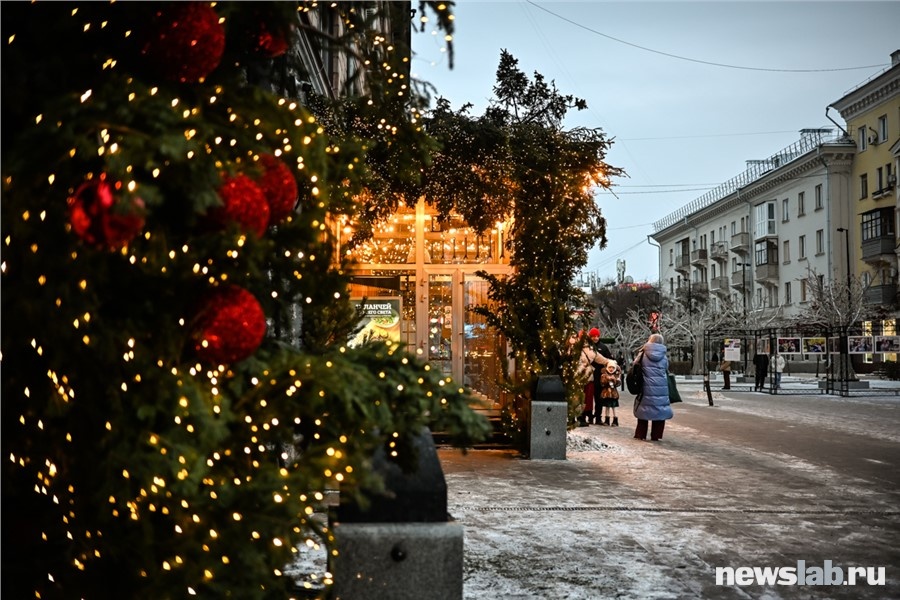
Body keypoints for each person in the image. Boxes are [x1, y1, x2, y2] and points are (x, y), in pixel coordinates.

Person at [632, 333, 673, 441]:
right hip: (661, 388)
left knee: (643, 410)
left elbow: (635, 365)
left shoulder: (643, 353)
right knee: (659, 410)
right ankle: (656, 435)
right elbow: (666, 368)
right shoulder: (664, 355)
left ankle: (640, 434)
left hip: (646, 386)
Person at [588, 327, 613, 423]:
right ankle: (590, 416)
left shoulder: (603, 347)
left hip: (600, 377)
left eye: (597, 336)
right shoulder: (587, 347)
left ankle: (598, 417)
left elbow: (608, 359)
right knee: (589, 398)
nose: (595, 338)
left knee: (599, 398)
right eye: (593, 336)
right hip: (589, 376)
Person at [597, 360, 621, 426]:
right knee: (607, 407)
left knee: (614, 407)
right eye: (610, 367)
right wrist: (607, 379)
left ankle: (615, 420)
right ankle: (607, 419)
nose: (611, 369)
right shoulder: (604, 375)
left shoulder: (616, 375)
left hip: (613, 394)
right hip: (606, 394)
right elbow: (602, 383)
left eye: (613, 368)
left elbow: (618, 383)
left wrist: (614, 380)